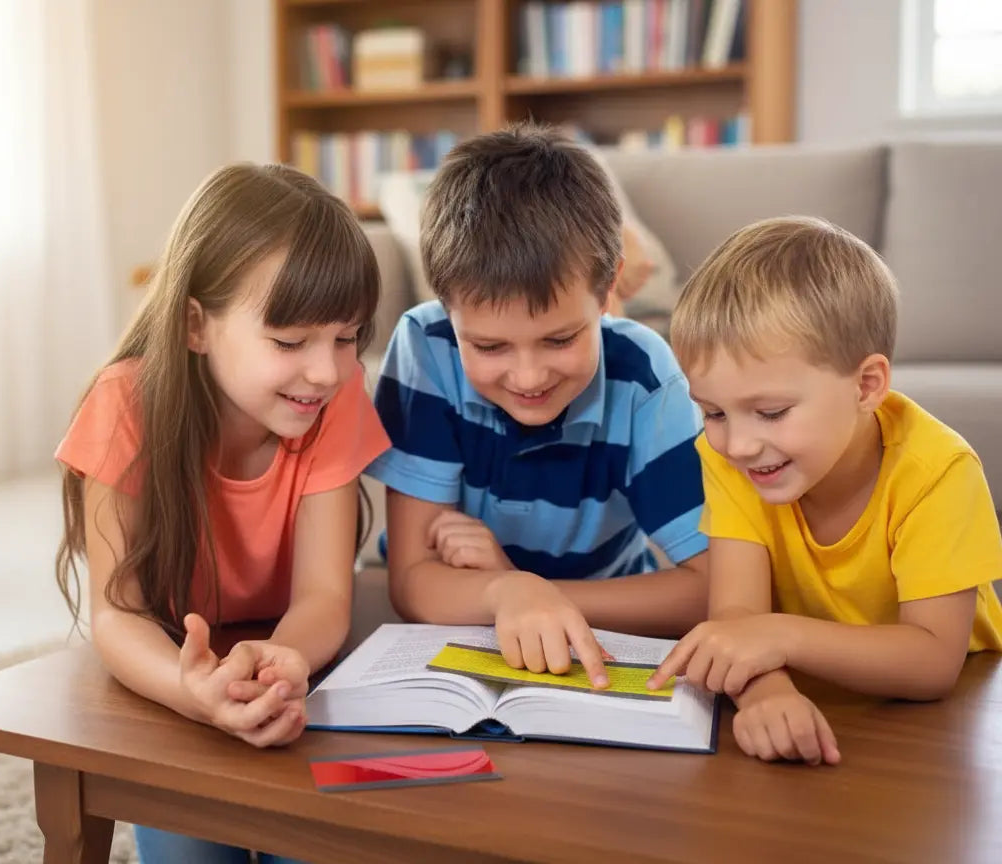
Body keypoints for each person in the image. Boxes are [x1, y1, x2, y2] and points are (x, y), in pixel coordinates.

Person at [54, 163, 390, 863]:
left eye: (347, 336)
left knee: (321, 841)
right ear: (195, 326)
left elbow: (327, 595)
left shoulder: (334, 399)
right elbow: (117, 615)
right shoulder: (124, 406)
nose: (327, 371)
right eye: (290, 342)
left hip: (300, 666)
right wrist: (193, 692)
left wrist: (288, 660)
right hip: (171, 675)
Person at [647, 216, 1002, 766]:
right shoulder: (732, 458)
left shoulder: (939, 472)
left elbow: (932, 662)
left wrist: (778, 637)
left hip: (942, 722)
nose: (737, 443)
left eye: (771, 412)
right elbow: (737, 614)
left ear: (866, 386)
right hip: (821, 700)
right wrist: (767, 693)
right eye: (713, 411)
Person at [366, 122, 710, 685]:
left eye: (559, 339)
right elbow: (410, 580)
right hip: (469, 628)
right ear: (445, 306)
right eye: (488, 346)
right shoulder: (426, 348)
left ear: (609, 290)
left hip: (603, 630)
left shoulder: (645, 378)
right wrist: (507, 593)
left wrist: (528, 593)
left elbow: (712, 588)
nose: (528, 376)